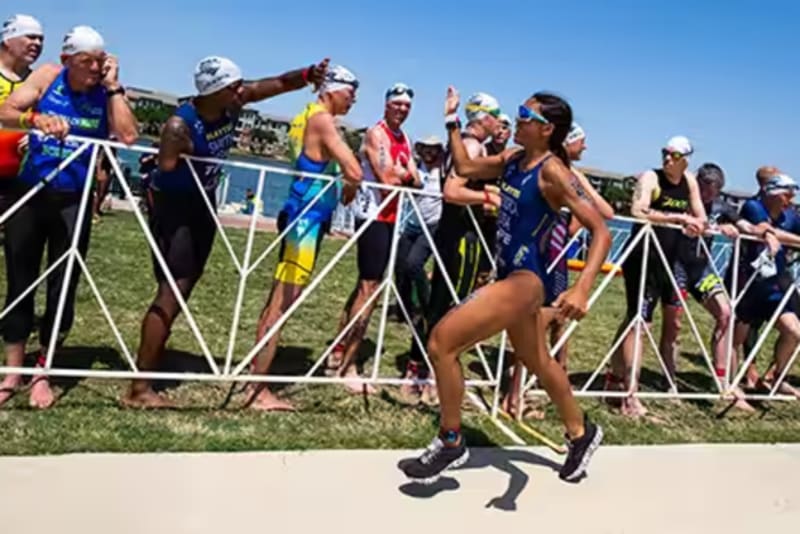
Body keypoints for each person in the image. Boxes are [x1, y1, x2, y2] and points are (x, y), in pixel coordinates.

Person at [400, 88, 610, 484]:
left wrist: (581, 288)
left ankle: (450, 441)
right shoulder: (513, 160)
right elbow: (463, 165)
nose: (517, 120)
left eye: (524, 115)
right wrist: (452, 122)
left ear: (547, 129)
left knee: (442, 341)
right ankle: (582, 434)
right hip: (509, 275)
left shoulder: (553, 173)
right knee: (539, 362)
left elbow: (601, 228)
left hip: (527, 281)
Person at [123, 55, 329, 408]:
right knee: (171, 291)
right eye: (233, 86)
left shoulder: (234, 104)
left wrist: (308, 75)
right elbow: (167, 169)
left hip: (203, 203)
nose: (240, 90)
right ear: (212, 90)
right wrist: (180, 154)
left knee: (184, 287)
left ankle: (155, 358)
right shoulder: (179, 125)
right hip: (176, 209)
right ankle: (139, 389)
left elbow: (277, 83)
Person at [0, 25, 138, 408]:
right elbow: (5, 111)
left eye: (100, 60)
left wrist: (113, 86)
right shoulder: (47, 76)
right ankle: (12, 372)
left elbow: (128, 136)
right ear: (66, 61)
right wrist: (36, 120)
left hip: (73, 199)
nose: (94, 68)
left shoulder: (107, 91)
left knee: (63, 287)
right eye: (86, 62)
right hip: (31, 190)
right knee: (20, 279)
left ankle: (43, 371)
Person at [246, 65, 362, 411]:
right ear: (331, 90)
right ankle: (257, 391)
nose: (354, 98)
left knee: (277, 301)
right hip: (305, 221)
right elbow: (353, 169)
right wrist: (349, 190)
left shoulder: (304, 115)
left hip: (300, 211)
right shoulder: (323, 120)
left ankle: (254, 379)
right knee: (282, 305)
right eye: (350, 90)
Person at [502, 122, 614, 417]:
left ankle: (546, 385)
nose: (585, 148)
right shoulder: (560, 172)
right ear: (567, 142)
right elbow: (606, 213)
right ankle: (516, 396)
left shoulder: (556, 170)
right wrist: (582, 184)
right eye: (582, 142)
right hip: (544, 255)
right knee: (536, 320)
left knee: (556, 321)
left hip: (552, 253)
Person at [406, 92, 503, 405]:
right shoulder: (473, 146)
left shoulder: (461, 142)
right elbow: (452, 191)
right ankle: (432, 374)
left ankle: (420, 370)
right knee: (451, 307)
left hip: (454, 231)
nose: (498, 122)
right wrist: (489, 199)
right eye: (495, 115)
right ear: (483, 118)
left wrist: (487, 190)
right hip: (461, 233)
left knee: (441, 304)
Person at [327, 82, 419, 393]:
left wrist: (406, 173)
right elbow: (390, 179)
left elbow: (416, 181)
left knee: (365, 286)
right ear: (386, 104)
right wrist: (404, 172)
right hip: (373, 216)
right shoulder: (376, 134)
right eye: (397, 104)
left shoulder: (403, 137)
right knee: (370, 289)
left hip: (392, 216)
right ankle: (349, 367)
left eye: (406, 105)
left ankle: (339, 351)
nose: (402, 109)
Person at [608, 136, 707, 417]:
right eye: (665, 153)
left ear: (686, 159)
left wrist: (699, 224)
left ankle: (615, 379)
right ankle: (631, 393)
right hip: (643, 258)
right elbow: (637, 210)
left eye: (674, 155)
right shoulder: (652, 178)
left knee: (642, 320)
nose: (667, 159)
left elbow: (699, 214)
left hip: (669, 259)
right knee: (640, 323)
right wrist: (677, 219)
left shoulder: (689, 181)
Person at [681, 163, 780, 411]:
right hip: (675, 264)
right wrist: (711, 227)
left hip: (701, 269)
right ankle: (670, 380)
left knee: (726, 314)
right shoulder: (683, 200)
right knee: (672, 324)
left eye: (714, 191)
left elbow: (744, 223)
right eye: (705, 190)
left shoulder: (720, 206)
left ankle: (724, 381)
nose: (708, 196)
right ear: (697, 184)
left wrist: (762, 231)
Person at [728, 174, 800, 399]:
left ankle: (778, 377)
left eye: (792, 195)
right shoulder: (753, 206)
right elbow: (766, 230)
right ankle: (730, 383)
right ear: (773, 193)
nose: (790, 200)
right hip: (746, 280)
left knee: (794, 331)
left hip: (772, 285)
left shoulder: (791, 216)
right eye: (787, 195)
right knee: (736, 337)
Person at [396, 135, 445, 401]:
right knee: (402, 268)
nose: (428, 153)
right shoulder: (417, 166)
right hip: (412, 223)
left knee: (415, 263)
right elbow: (407, 180)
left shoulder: (443, 169)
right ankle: (407, 307)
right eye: (424, 149)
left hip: (433, 225)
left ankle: (424, 302)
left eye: (433, 149)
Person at [0, 14, 44, 214]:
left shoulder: (38, 83)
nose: (37, 43)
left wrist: (35, 134)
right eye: (30, 37)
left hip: (17, 176)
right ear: (8, 40)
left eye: (41, 39)